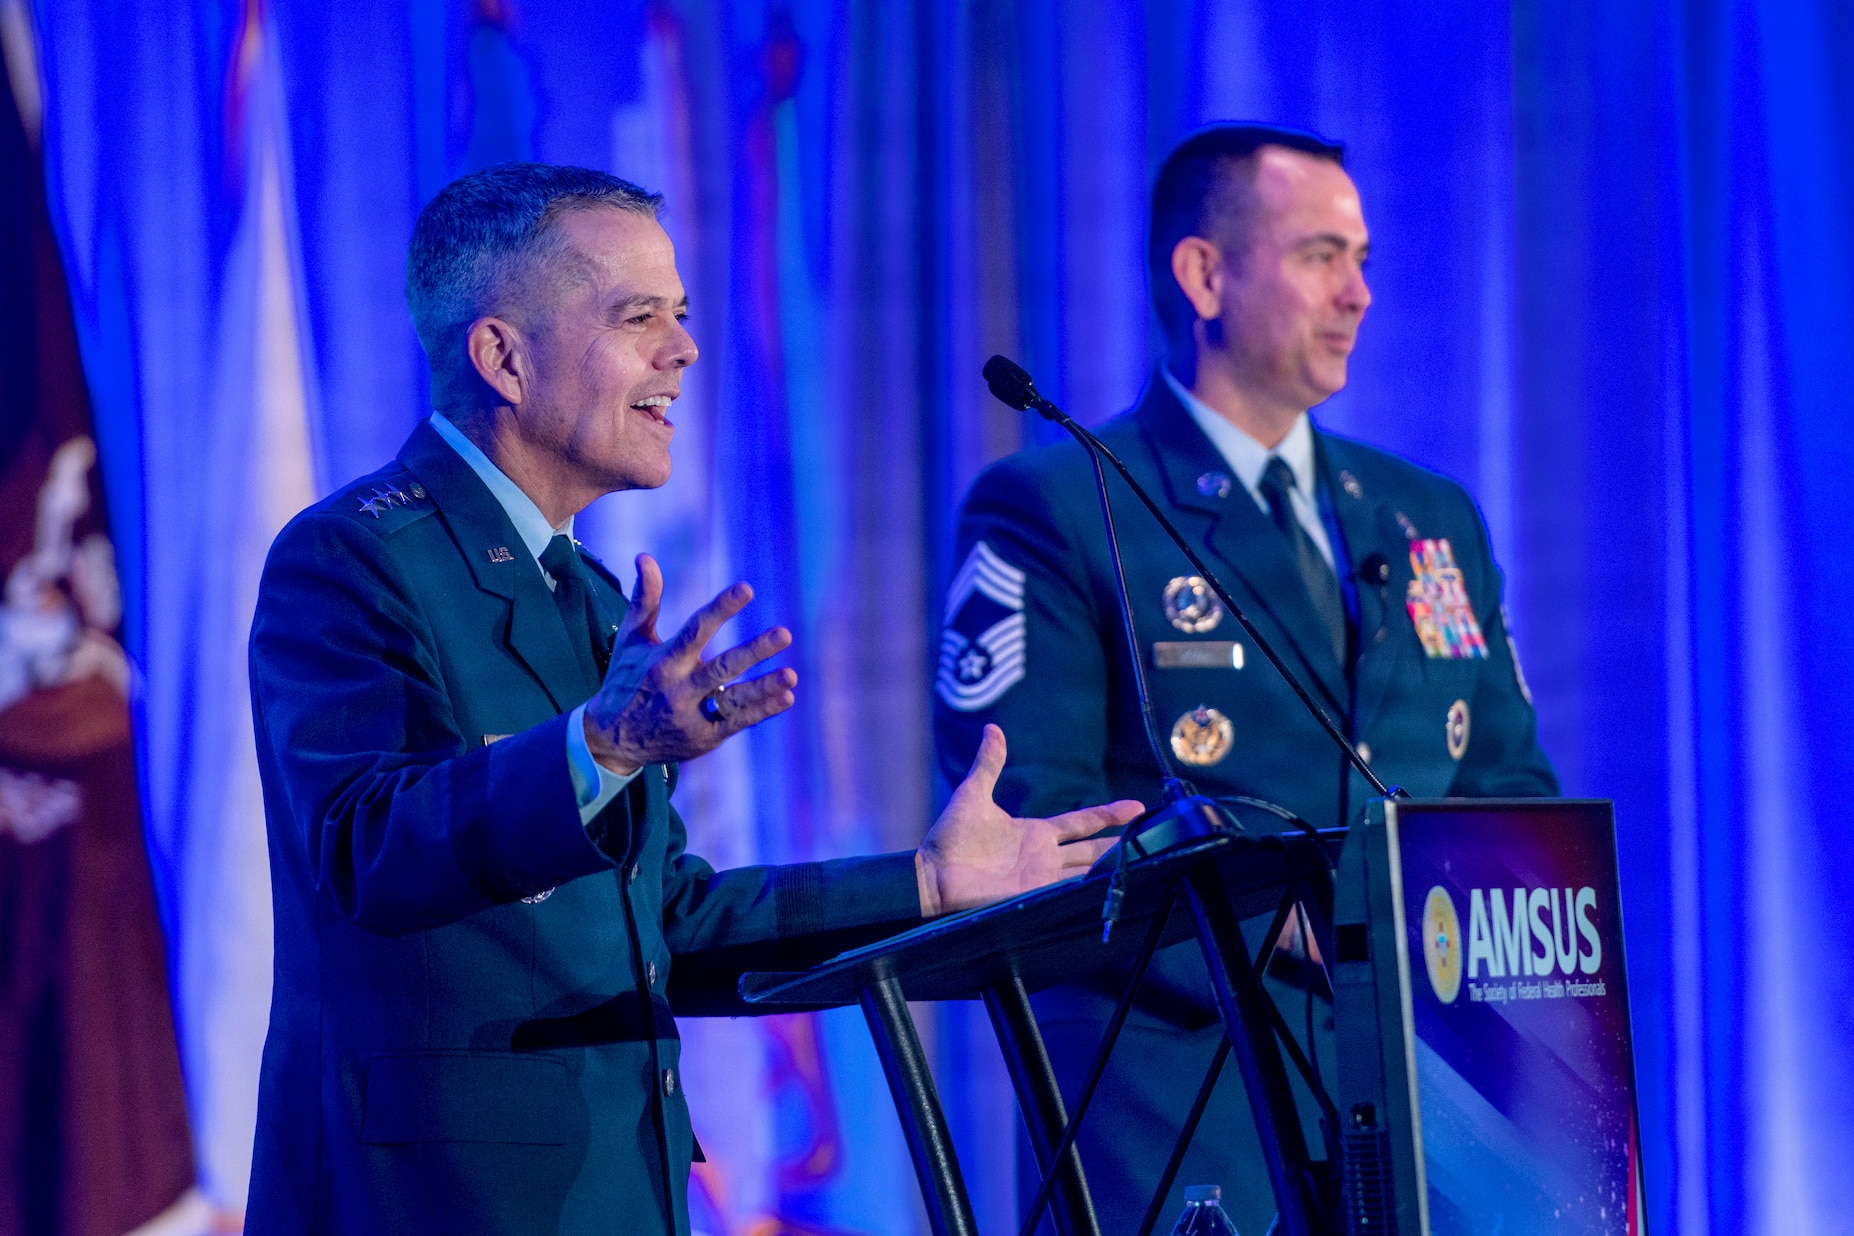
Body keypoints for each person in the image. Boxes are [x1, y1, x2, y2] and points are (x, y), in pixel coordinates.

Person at [244, 163, 1139, 1236]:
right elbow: (362, 849)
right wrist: (603, 747)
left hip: (620, 1196)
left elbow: (669, 924)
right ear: (502, 357)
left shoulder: (588, 594)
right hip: (434, 1207)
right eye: (640, 318)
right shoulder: (351, 558)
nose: (685, 350)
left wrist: (926, 886)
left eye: (680, 313)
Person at [933, 123, 1558, 1235]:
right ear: (1204, 275)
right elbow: (1034, 833)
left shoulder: (1427, 517)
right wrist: (1298, 921)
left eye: (1362, 259)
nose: (1359, 293)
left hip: (1441, 1121)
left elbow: (1510, 795)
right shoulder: (1061, 507)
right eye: (1321, 255)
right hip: (1189, 1108)